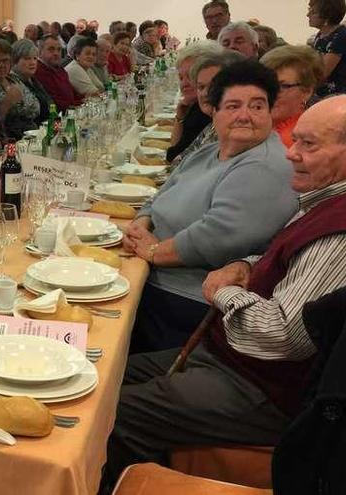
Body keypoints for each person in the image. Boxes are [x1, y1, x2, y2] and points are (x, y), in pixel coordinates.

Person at [104, 94, 346, 490]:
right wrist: (247, 265)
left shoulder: (338, 232)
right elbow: (284, 258)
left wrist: (223, 291)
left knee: (109, 415)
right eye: (295, 141)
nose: (292, 154)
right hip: (226, 357)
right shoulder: (322, 198)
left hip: (263, 388)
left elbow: (282, 336)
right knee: (105, 375)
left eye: (309, 145)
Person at [124, 60, 299, 353]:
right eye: (232, 106)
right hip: (149, 274)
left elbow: (216, 237)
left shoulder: (268, 165)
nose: (245, 115)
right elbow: (161, 193)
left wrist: (154, 252)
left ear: (270, 113)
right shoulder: (210, 152)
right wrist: (140, 224)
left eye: (257, 106)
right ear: (213, 112)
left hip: (188, 299)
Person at [170, 51, 244, 167]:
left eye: (213, 86)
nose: (205, 93)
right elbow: (177, 161)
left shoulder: (235, 134)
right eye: (201, 87)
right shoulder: (214, 125)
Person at [167, 41, 222, 163]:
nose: (184, 84)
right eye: (181, 78)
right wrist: (180, 117)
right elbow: (176, 152)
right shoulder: (197, 108)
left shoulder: (205, 115)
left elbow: (174, 156)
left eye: (191, 76)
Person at [260, 45, 324, 148]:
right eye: (264, 83)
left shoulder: (300, 139)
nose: (268, 92)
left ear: (307, 91)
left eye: (282, 86)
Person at [0, 38, 41, 139]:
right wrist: (8, 102)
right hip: (11, 138)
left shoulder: (13, 78)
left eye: (5, 61)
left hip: (30, 134)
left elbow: (36, 106)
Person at [10, 38, 52, 127]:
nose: (32, 62)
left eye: (35, 58)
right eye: (27, 58)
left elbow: (50, 104)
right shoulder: (12, 81)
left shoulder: (33, 80)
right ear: (15, 60)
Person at [310, 0, 346, 97]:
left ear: (327, 16)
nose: (307, 15)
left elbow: (322, 73)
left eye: (313, 12)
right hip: (319, 92)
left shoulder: (341, 36)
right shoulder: (320, 35)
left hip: (335, 95)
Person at [35, 34, 79, 110]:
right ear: (39, 52)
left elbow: (72, 94)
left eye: (59, 50)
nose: (56, 53)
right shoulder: (39, 71)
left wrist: (85, 99)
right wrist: (78, 105)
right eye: (51, 49)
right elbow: (57, 103)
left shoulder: (60, 69)